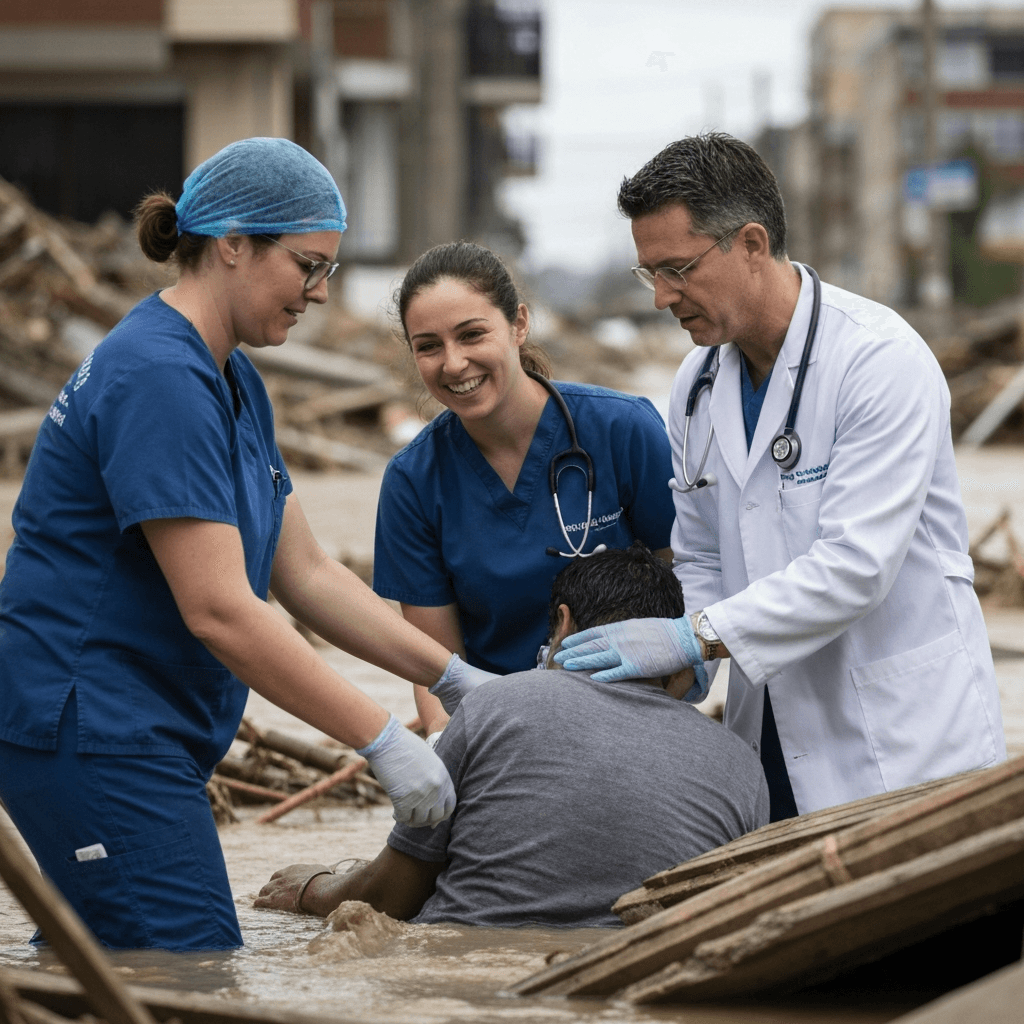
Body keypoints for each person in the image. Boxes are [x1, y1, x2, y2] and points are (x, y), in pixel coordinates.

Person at [0, 138, 488, 952]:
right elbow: (223, 610)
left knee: (112, 965)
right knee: (189, 966)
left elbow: (303, 572)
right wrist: (381, 740)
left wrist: (454, 677)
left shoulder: (229, 375)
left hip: (142, 729)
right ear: (232, 243)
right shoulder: (157, 376)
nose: (322, 292)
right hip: (91, 728)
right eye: (308, 264)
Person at [556, 132, 1006, 821]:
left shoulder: (878, 361)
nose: (661, 298)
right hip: (770, 729)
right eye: (650, 273)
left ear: (752, 244)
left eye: (677, 268)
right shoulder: (697, 384)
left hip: (900, 739)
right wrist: (679, 666)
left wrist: (696, 636)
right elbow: (702, 553)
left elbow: (857, 565)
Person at [256, 543, 768, 927]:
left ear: (562, 624)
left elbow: (391, 896)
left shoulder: (497, 704)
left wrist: (313, 890)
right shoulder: (740, 763)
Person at [373, 241, 681, 736]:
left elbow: (686, 591)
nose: (453, 364)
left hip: (635, 716)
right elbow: (435, 668)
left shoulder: (622, 431)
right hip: (504, 733)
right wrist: (442, 747)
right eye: (428, 346)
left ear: (518, 323)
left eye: (472, 334)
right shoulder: (413, 482)